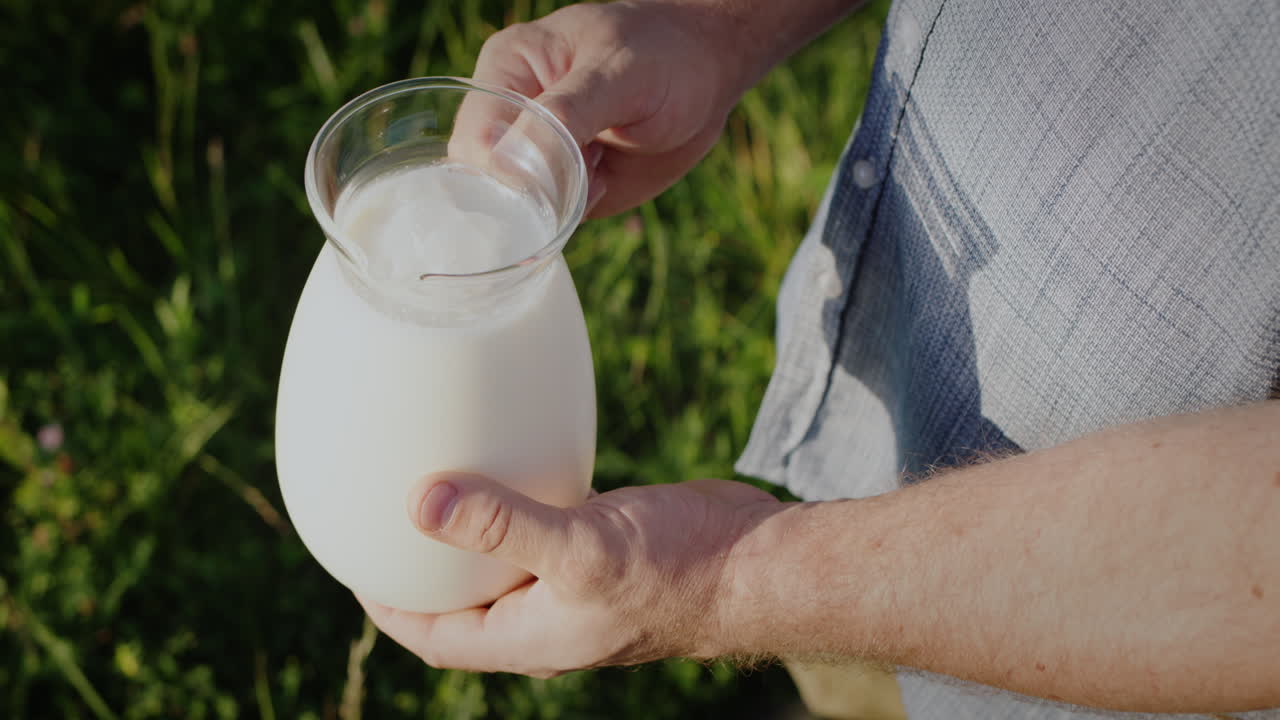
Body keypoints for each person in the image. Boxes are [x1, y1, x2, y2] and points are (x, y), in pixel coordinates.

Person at [355, 1, 1280, 717]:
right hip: (878, 469)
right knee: (855, 682)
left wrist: (735, 582)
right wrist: (709, 25)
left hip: (1173, 649)